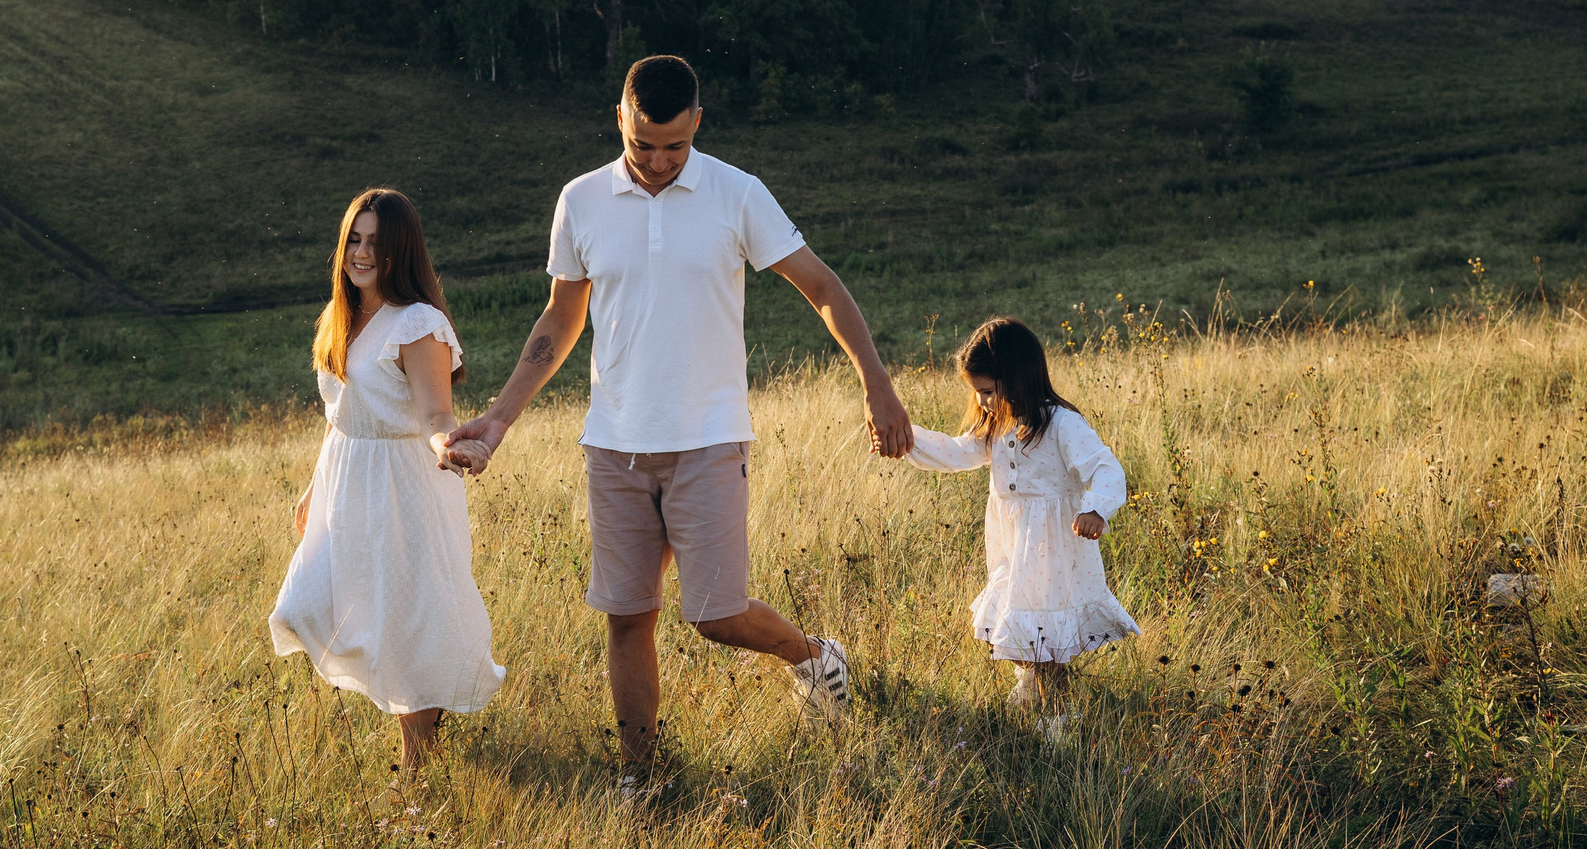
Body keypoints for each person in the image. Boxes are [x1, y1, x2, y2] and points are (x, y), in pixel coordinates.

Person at [445, 55, 913, 793]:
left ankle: (815, 656)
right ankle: (643, 775)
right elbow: (562, 319)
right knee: (627, 616)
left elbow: (821, 285)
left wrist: (876, 382)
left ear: (697, 121)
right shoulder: (582, 200)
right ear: (621, 120)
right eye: (642, 146)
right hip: (614, 447)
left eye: (674, 145)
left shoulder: (737, 194)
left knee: (716, 614)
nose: (659, 162)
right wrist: (500, 418)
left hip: (708, 439)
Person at [269, 189, 504, 774]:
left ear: (401, 250)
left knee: (406, 617)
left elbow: (434, 413)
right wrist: (312, 486)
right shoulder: (339, 317)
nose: (362, 252)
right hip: (345, 478)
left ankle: (418, 758)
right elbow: (339, 413)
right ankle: (422, 726)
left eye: (375, 241)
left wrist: (448, 446)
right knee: (307, 605)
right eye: (355, 238)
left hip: (403, 485)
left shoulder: (418, 323)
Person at [882, 317, 1134, 730]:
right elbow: (957, 452)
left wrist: (1095, 510)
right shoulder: (996, 425)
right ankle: (1033, 683)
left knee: (1045, 642)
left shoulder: (1061, 425)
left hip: (1053, 549)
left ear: (1017, 378)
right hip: (1013, 546)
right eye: (975, 393)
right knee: (1019, 635)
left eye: (986, 391)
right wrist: (907, 439)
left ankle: (1059, 724)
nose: (980, 402)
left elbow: (1106, 468)